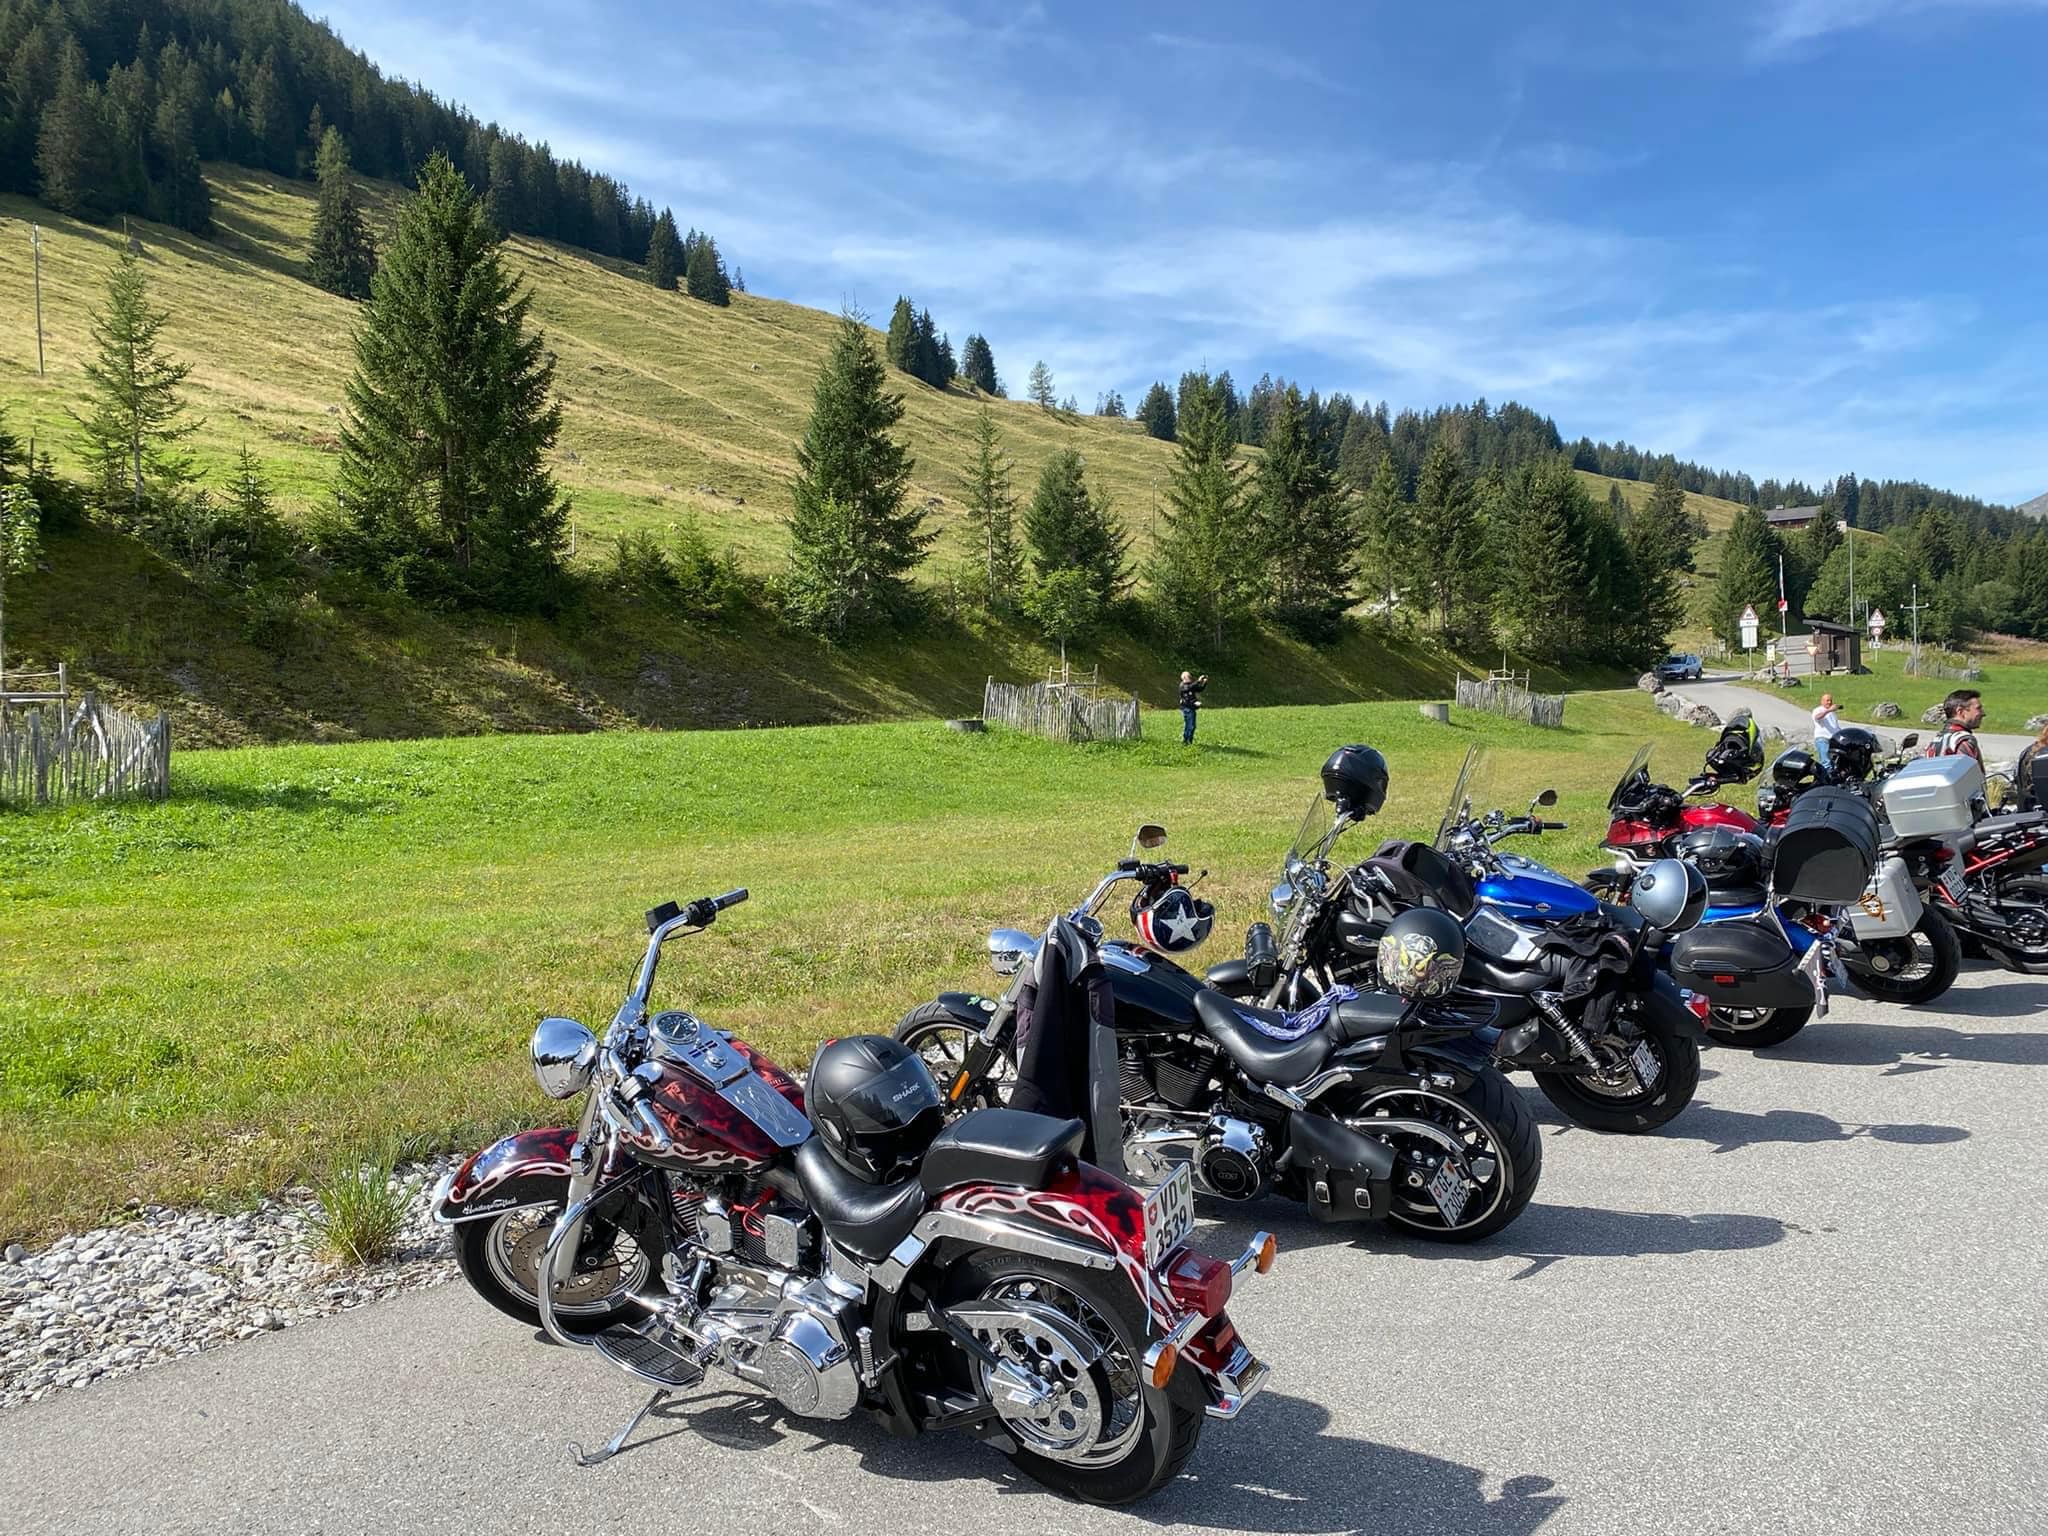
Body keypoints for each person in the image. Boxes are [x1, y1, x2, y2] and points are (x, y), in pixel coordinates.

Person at [1926, 688, 1984, 764]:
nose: (1983, 713)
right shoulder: (1963, 741)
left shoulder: (1936, 740)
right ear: (1960, 711)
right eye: (1978, 709)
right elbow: (1967, 771)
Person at [1811, 692, 1841, 774]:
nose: (1829, 702)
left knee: (1835, 762)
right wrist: (1829, 710)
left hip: (1833, 740)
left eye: (1830, 700)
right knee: (1826, 762)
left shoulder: (1832, 713)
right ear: (1822, 701)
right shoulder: (1818, 710)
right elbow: (1817, 717)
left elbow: (1835, 726)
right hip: (1823, 739)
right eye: (1827, 700)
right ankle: (1826, 777)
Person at [1178, 670, 1208, 745]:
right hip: (1187, 708)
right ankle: (1187, 741)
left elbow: (1199, 689)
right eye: (1189, 677)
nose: (1190, 678)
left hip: (1191, 708)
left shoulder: (1190, 685)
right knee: (1190, 726)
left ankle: (1187, 741)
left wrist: (1204, 683)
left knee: (1190, 725)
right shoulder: (1182, 686)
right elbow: (1188, 688)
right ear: (1184, 678)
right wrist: (1198, 681)